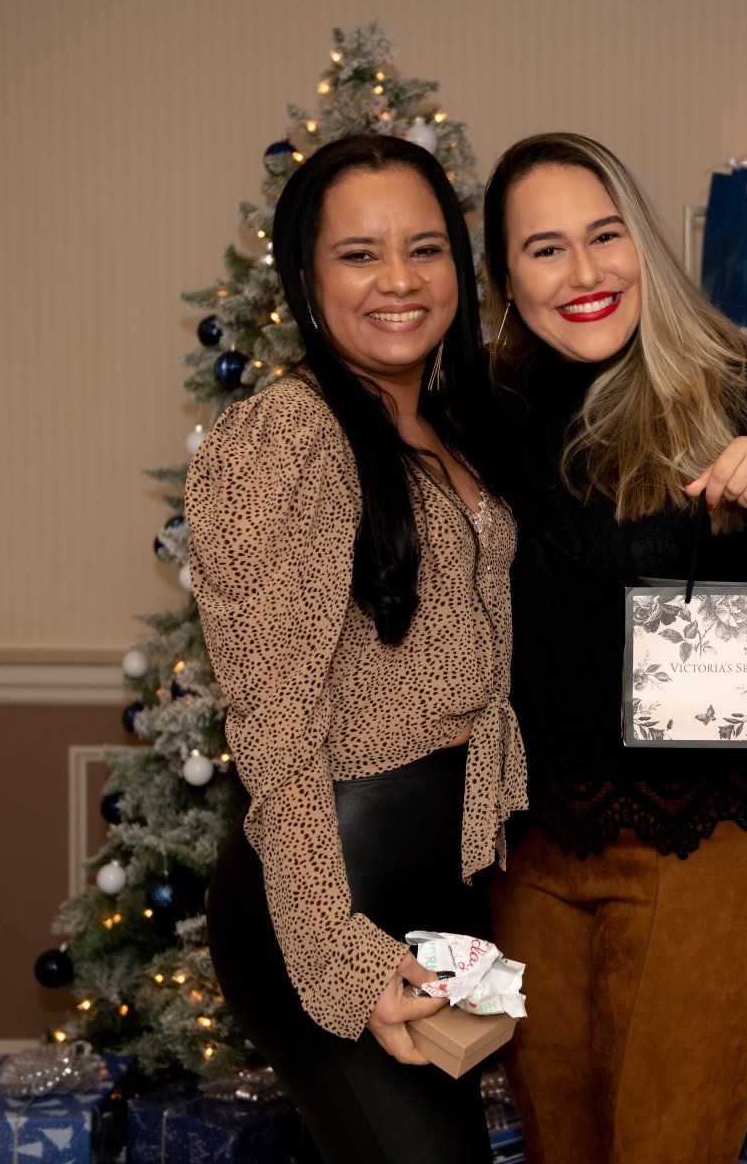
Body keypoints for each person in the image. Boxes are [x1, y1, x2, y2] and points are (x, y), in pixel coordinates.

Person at [480, 132, 747, 1163]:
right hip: (533, 849)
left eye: (606, 235)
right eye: (546, 248)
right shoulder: (485, 409)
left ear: (644, 243)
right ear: (505, 276)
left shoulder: (744, 388)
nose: (585, 272)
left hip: (718, 833)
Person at [185, 133, 525, 1163]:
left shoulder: (447, 425)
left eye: (425, 248)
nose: (400, 280)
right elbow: (274, 729)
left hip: (439, 883)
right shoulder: (287, 436)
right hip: (334, 891)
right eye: (360, 254)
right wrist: (342, 956)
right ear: (304, 274)